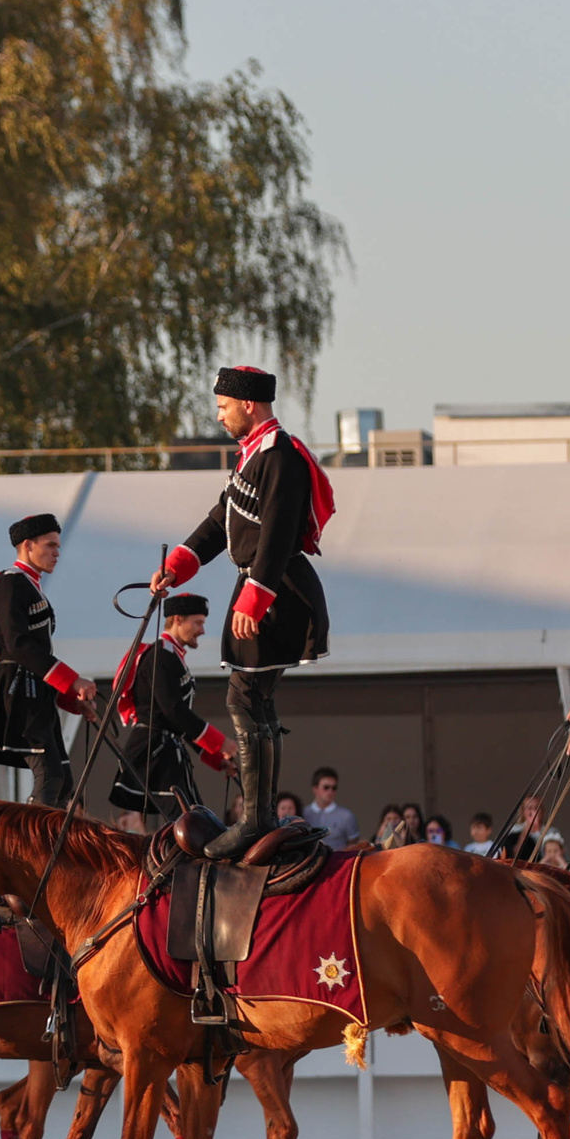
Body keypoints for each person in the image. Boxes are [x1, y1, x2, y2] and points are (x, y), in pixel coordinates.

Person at [150, 365, 336, 860]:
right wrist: (177, 566)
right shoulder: (255, 455)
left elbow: (276, 534)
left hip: (277, 588)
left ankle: (256, 819)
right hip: (264, 584)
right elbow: (220, 522)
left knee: (244, 697)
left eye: (223, 406)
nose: (219, 415)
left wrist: (255, 599)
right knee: (256, 698)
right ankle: (261, 815)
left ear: (248, 404)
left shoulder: (280, 456)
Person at [0, 513, 99, 807]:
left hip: (35, 690)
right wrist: (72, 680)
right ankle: (28, 836)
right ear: (28, 545)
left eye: (58, 546)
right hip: (19, 690)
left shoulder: (29, 585)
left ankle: (49, 834)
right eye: (50, 545)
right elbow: (18, 645)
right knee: (50, 776)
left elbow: (37, 655)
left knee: (62, 779)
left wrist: (71, 699)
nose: (57, 553)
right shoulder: (11, 583)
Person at [109, 593, 232, 825]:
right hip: (154, 752)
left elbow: (178, 721)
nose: (202, 630)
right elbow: (173, 710)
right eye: (198, 623)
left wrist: (215, 757)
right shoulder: (161, 655)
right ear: (177, 620)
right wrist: (219, 742)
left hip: (166, 751)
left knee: (195, 822)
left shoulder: (171, 655)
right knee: (191, 824)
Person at [303, 768, 359, 848]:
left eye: (334, 788)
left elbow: (353, 844)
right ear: (315, 788)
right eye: (326, 787)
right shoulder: (303, 814)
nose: (330, 791)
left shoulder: (347, 816)